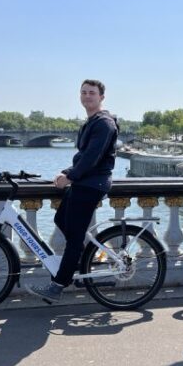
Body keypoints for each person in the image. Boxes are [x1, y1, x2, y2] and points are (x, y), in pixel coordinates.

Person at [27, 79, 119, 303]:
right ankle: (82, 257)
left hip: (91, 185)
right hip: (84, 182)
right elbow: (82, 158)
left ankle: (58, 286)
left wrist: (70, 177)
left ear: (101, 98)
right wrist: (67, 171)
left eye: (92, 93)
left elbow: (92, 158)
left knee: (74, 237)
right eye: (84, 92)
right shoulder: (91, 122)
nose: (87, 96)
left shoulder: (104, 123)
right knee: (61, 219)